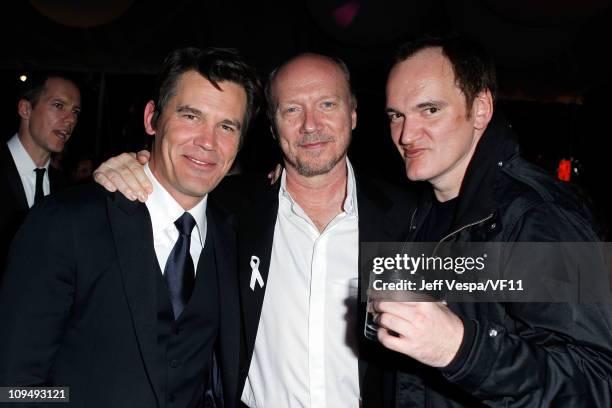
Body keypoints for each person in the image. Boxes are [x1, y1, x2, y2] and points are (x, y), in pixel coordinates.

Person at [93, 53, 415, 407]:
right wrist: (131, 164)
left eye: (327, 104)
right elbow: (171, 177)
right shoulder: (230, 209)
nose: (310, 125)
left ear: (352, 114)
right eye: (292, 109)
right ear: (273, 127)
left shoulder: (409, 218)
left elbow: (479, 294)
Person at [0, 47, 261, 408]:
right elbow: (15, 387)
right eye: (191, 116)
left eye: (227, 126)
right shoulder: (66, 222)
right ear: (152, 118)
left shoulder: (237, 240)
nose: (208, 141)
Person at [374, 35, 612, 407]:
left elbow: (598, 383)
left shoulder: (538, 216)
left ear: (480, 109)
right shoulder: (424, 209)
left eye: (430, 110)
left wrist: (464, 349)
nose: (405, 134)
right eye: (396, 115)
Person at [0, 72, 80, 274]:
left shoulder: (65, 189)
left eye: (76, 111)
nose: (70, 119)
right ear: (26, 109)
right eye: (59, 105)